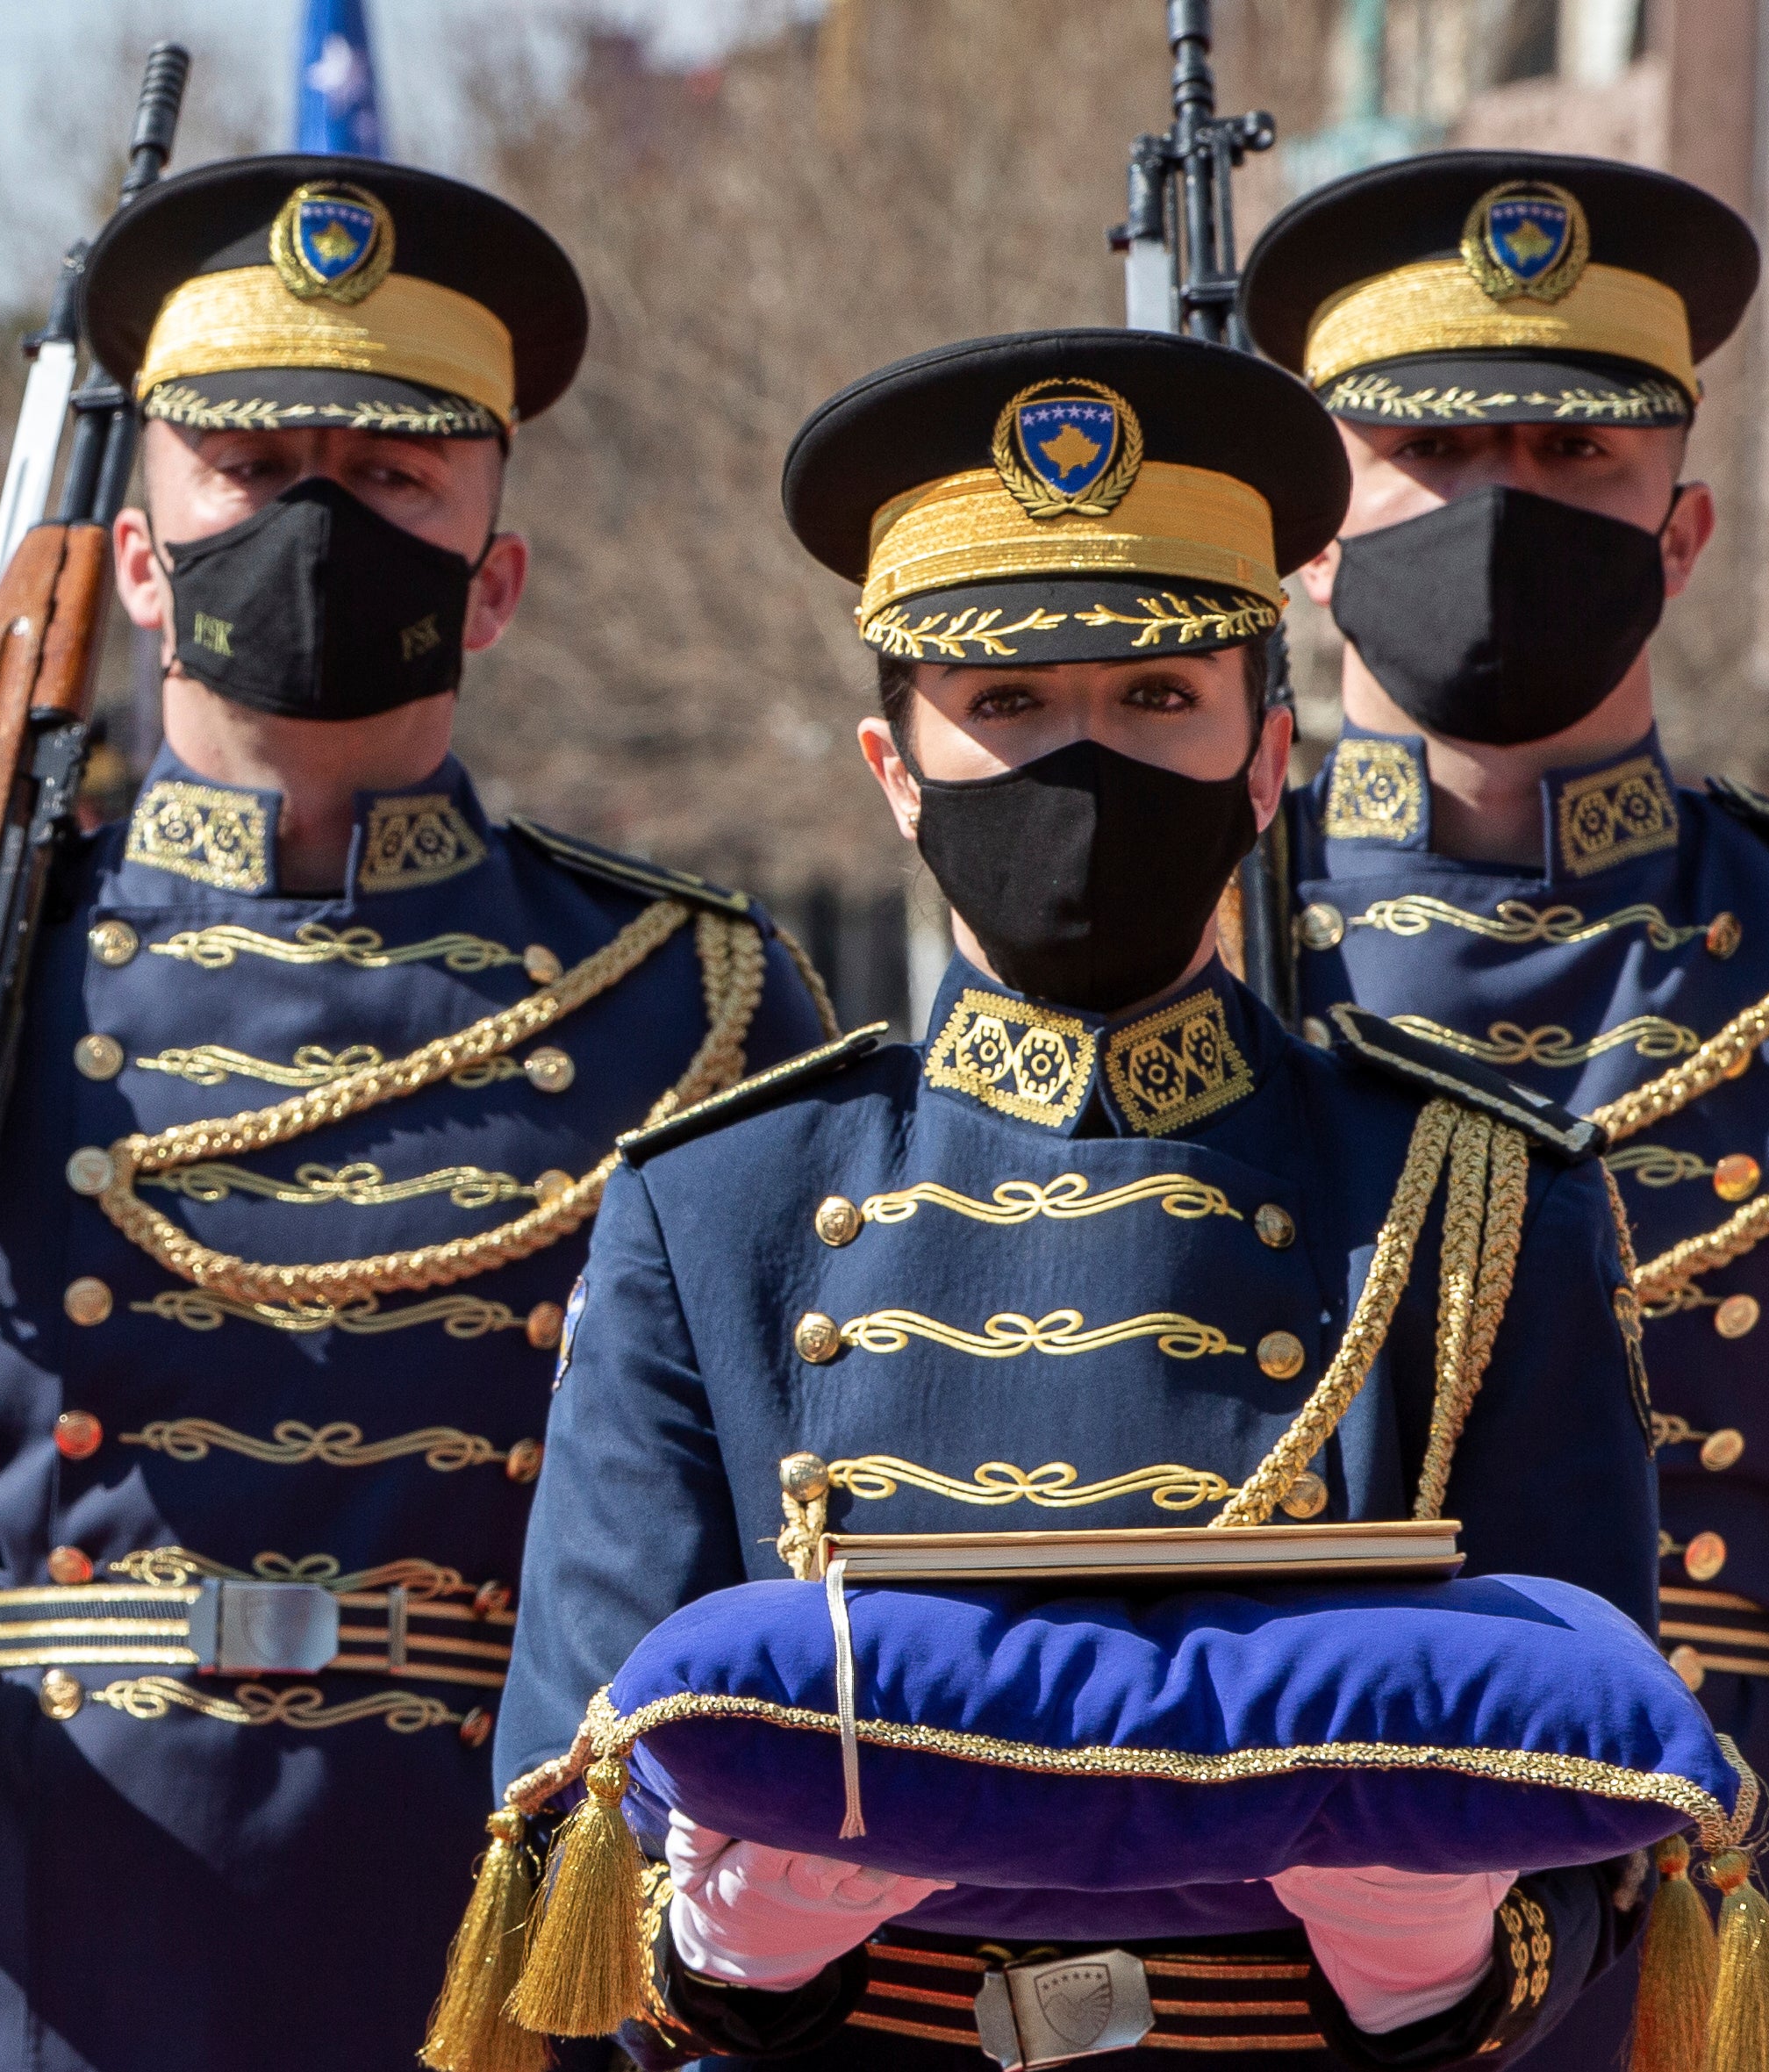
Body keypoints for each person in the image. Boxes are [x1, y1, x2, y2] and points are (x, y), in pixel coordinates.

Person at [0, 154, 834, 2070]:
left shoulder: (698, 996)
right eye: (254, 469)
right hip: (21, 1932)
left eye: (396, 479)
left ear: (495, 580)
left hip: (486, 1936)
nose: (318, 520)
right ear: (141, 557)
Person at [496, 330, 1662, 2068]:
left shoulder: (1471, 1194)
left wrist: (1434, 1943)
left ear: (1269, 762)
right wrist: (728, 1934)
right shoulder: (716, 1205)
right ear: (892, 770)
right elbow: (558, 1819)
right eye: (1009, 706)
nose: (1080, 762)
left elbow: (1594, 1794)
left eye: (1153, 700)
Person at [1238, 150, 1769, 2057]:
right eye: (1434, 451)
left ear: (1679, 535)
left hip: (1708, 1886)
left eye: (1573, 459)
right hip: (1261, 1860)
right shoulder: (1175, 932)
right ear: (1319, 534)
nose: (1502, 510)